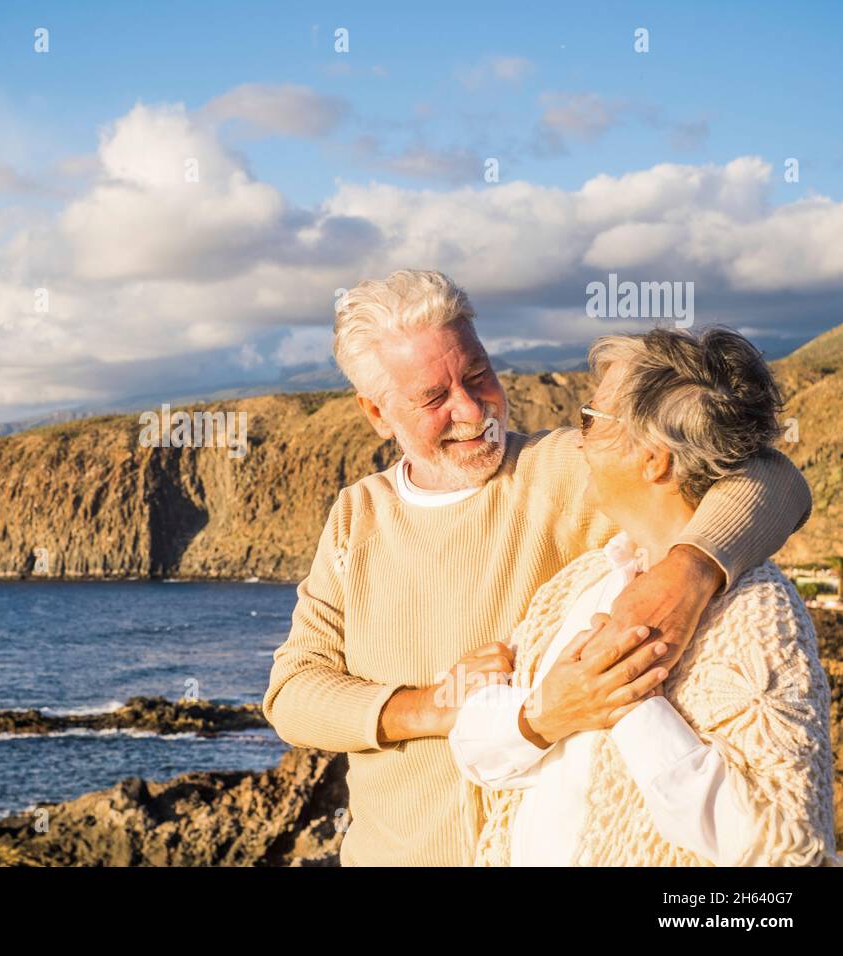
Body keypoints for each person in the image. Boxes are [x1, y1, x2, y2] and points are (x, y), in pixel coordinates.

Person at [262, 269, 812, 866]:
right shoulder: (356, 516)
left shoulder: (573, 465)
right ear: (376, 412)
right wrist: (431, 706)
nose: (471, 410)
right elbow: (292, 693)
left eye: (477, 376)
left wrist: (691, 570)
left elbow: (773, 477)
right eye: (433, 398)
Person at [450, 327, 835, 866]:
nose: (575, 436)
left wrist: (627, 700)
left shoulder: (757, 617)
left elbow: (788, 853)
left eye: (589, 417)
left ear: (655, 458)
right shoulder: (578, 585)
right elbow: (474, 746)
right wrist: (546, 715)